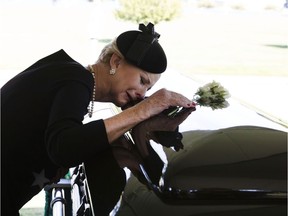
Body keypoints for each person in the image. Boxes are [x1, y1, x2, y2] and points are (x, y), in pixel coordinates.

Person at [1, 23, 195, 215]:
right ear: (116, 62)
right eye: (142, 81)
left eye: (149, 89)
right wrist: (144, 110)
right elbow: (64, 148)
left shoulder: (69, 74)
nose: (142, 94)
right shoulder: (76, 80)